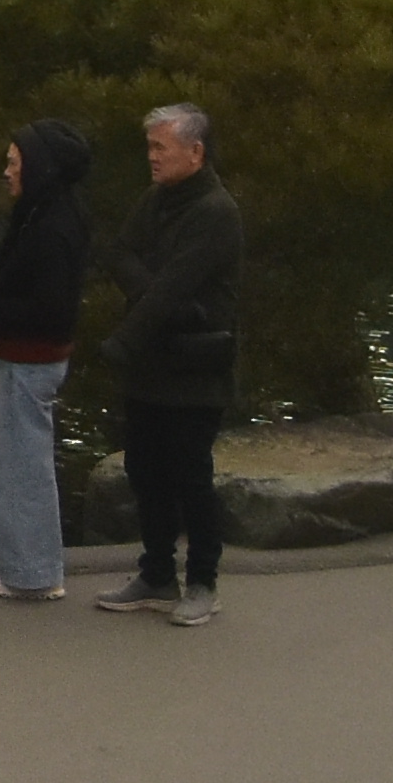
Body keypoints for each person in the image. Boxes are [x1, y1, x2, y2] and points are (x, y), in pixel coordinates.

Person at [94, 105, 244, 623]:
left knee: (191, 477)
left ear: (195, 152)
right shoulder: (156, 200)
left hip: (194, 369)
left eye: (162, 148)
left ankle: (203, 580)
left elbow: (178, 283)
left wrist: (124, 337)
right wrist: (151, 290)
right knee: (144, 470)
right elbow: (120, 253)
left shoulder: (216, 212)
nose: (152, 158)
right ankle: (157, 571)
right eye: (151, 147)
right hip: (151, 367)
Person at [0, 119, 95, 603]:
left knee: (22, 462)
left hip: (30, 357)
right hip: (22, 357)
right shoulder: (44, 212)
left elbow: (51, 309)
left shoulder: (52, 226)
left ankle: (32, 573)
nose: (6, 172)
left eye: (13, 162)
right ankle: (6, 541)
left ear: (38, 166)